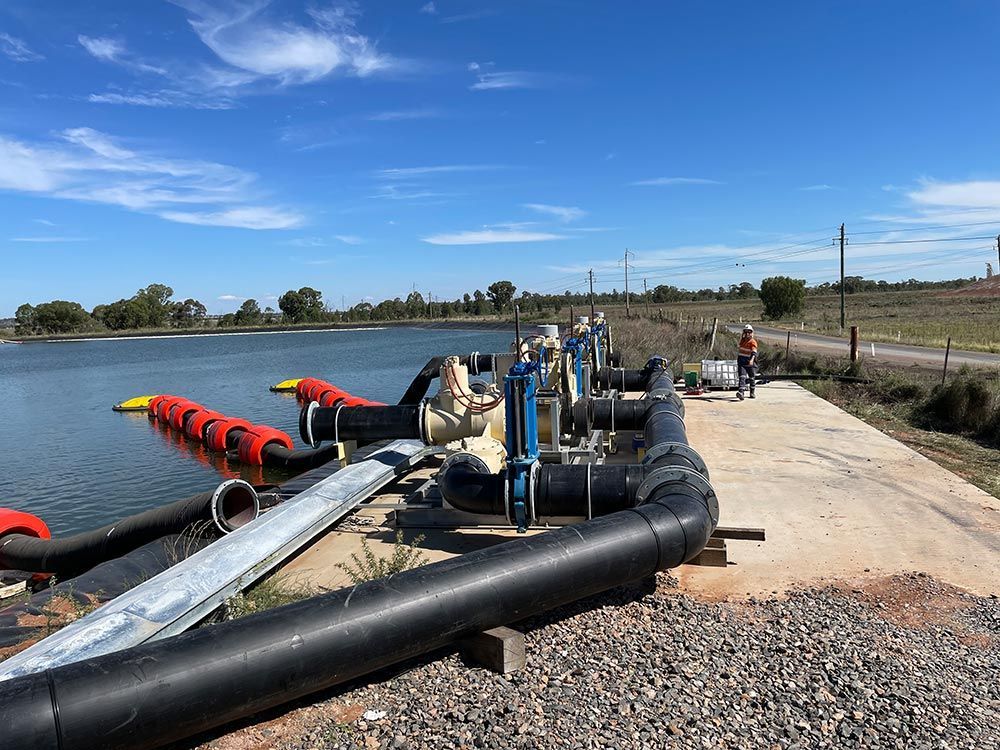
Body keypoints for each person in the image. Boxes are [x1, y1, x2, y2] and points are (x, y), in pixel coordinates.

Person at [736, 324, 757, 400]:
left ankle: (752, 392)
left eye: (749, 332)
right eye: (746, 332)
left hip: (749, 362)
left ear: (751, 333)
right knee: (742, 377)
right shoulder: (742, 341)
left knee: (752, 377)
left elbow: (754, 352)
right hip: (741, 361)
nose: (747, 334)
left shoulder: (753, 342)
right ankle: (741, 392)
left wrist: (751, 360)